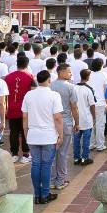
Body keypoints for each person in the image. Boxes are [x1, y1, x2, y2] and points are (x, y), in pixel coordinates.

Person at [23, 70, 63, 204]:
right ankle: (45, 194)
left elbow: (25, 117)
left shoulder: (29, 95)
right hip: (48, 135)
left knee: (35, 164)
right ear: (49, 80)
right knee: (46, 165)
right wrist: (61, 135)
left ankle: (37, 195)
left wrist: (26, 133)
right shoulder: (54, 95)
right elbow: (57, 118)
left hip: (33, 134)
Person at [49, 63, 80, 189]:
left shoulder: (50, 86)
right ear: (61, 72)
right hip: (66, 122)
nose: (70, 74)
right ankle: (60, 180)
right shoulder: (70, 87)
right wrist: (77, 122)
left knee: (52, 152)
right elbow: (74, 107)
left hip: (52, 123)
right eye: (68, 71)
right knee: (62, 153)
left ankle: (51, 180)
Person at [5, 56, 35, 164]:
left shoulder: (8, 77)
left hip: (11, 107)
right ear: (27, 65)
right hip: (25, 108)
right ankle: (26, 154)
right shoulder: (30, 77)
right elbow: (32, 94)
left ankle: (14, 154)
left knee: (13, 131)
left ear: (17, 64)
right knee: (24, 130)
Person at [73, 68, 98, 166]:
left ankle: (76, 158)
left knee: (76, 140)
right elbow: (92, 105)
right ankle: (85, 158)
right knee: (86, 140)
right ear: (88, 77)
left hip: (76, 119)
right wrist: (94, 117)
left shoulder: (73, 88)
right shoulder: (88, 89)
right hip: (87, 119)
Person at [87, 58, 107, 152]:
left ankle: (91, 144)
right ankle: (100, 145)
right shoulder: (104, 75)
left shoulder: (89, 75)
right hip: (101, 103)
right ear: (101, 65)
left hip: (90, 103)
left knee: (91, 124)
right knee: (100, 125)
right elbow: (106, 91)